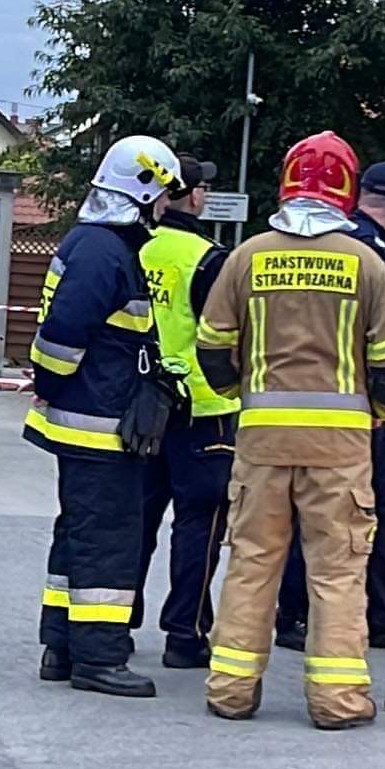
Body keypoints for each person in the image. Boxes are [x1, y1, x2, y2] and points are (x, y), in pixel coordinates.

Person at [197, 133, 385, 729]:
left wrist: (243, 392)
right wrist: (379, 412)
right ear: (347, 190)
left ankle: (231, 691)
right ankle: (337, 700)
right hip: (340, 446)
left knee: (252, 563)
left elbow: (212, 347)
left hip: (262, 440)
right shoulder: (365, 262)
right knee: (337, 570)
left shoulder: (247, 256)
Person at [27, 135, 179, 699]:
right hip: (98, 424)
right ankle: (98, 656)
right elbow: (63, 335)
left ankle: (62, 646)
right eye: (164, 193)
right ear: (144, 191)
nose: (167, 204)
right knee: (109, 540)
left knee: (79, 534)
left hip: (91, 417)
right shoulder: (103, 251)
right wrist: (54, 386)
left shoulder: (97, 244)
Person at [276, 161, 385, 656]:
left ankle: (296, 612)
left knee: (304, 511)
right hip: (356, 410)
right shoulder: (368, 254)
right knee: (373, 513)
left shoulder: (328, 243)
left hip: (294, 404)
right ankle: (377, 614)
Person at [131, 154, 236, 670]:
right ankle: (185, 634)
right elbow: (228, 335)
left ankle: (114, 621)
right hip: (203, 408)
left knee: (138, 520)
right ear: (193, 196)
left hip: (144, 406)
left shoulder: (135, 248)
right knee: (199, 524)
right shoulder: (209, 259)